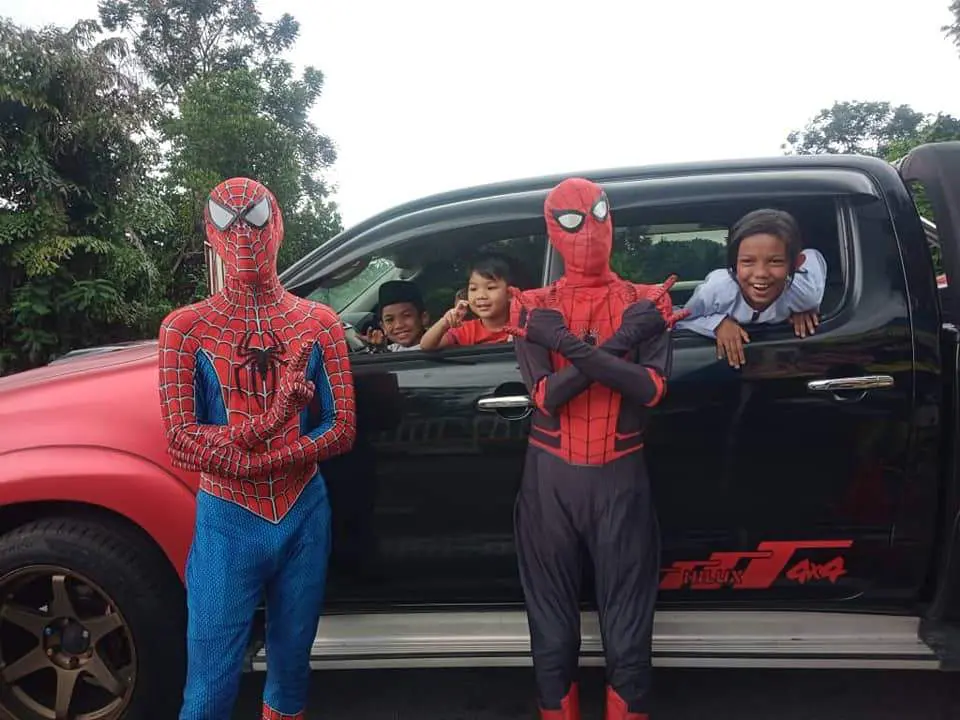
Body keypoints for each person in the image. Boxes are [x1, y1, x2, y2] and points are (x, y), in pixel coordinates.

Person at [157, 177, 357, 720]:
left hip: (302, 512)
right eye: (228, 222)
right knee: (209, 681)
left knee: (292, 669)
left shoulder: (319, 324)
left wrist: (266, 453)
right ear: (211, 233)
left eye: (257, 219)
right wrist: (270, 424)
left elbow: (342, 427)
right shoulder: (186, 329)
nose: (244, 234)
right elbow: (180, 438)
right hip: (227, 517)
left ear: (279, 224)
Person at [505, 177, 687, 720]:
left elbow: (649, 390)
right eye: (571, 220)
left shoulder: (647, 299)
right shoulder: (534, 306)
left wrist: (566, 344)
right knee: (552, 628)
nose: (589, 231)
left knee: (629, 628)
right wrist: (610, 343)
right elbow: (547, 397)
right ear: (551, 230)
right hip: (550, 482)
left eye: (600, 213)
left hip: (620, 473)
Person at [675, 208, 827, 368]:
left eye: (775, 261)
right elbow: (681, 319)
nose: (761, 273)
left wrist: (805, 308)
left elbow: (813, 256)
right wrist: (717, 323)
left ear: (795, 263)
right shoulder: (716, 291)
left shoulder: (804, 293)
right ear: (734, 264)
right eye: (747, 261)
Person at [419, 253, 514, 349]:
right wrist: (445, 322)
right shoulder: (465, 330)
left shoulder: (523, 325)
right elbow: (426, 346)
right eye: (473, 289)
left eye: (490, 288)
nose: (480, 296)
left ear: (510, 293)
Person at [360, 280, 430, 351]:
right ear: (383, 327)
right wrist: (380, 349)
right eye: (389, 320)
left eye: (406, 316)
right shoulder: (391, 350)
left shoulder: (438, 346)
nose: (398, 325)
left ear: (423, 318)